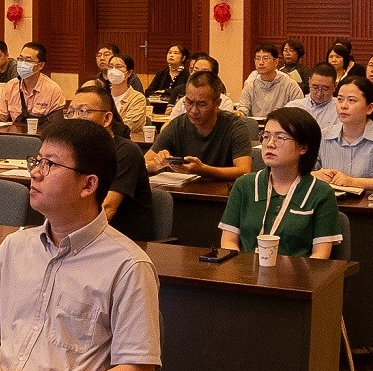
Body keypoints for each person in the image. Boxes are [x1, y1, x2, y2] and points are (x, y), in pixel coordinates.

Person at [0, 118, 162, 371]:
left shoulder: (128, 266)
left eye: (50, 164)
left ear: (88, 185)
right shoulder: (15, 246)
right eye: (37, 161)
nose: (35, 172)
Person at [217, 108, 344, 259]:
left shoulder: (321, 193)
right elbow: (228, 241)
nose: (270, 144)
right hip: (245, 271)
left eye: (280, 138)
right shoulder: (244, 185)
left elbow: (320, 254)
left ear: (303, 147)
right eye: (266, 136)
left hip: (297, 273)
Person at [65, 85, 154, 241]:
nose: (75, 118)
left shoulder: (126, 151)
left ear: (106, 118)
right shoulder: (74, 152)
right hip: (82, 234)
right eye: (71, 112)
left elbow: (107, 208)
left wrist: (70, 240)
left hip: (123, 241)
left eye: (83, 111)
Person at [145, 72, 251, 181]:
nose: (194, 110)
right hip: (184, 189)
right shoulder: (177, 125)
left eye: (202, 104)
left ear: (217, 103)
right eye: (189, 102)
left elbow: (244, 171)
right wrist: (157, 164)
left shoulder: (234, 126)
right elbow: (144, 163)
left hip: (223, 190)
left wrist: (205, 170)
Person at [317, 77, 373, 191]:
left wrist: (352, 182)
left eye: (351, 100)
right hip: (333, 201)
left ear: (369, 108)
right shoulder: (324, 135)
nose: (343, 106)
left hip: (369, 201)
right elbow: (302, 173)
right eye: (339, 99)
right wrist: (315, 175)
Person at [0, 42, 68, 123]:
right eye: (20, 59)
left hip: (42, 131)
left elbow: (57, 124)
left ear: (40, 65)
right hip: (16, 130)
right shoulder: (10, 86)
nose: (22, 64)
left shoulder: (53, 90)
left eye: (28, 61)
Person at [240, 42, 300, 119]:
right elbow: (243, 109)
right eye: (257, 58)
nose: (261, 63)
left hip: (281, 125)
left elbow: (298, 111)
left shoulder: (290, 85)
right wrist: (239, 113)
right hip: (256, 125)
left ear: (276, 62)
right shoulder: (250, 86)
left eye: (265, 58)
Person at [286, 63, 341, 132]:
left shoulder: (340, 110)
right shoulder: (293, 107)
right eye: (315, 87)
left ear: (335, 86)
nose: (319, 93)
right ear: (309, 82)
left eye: (325, 89)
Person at [106, 54, 150, 137]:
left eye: (118, 67)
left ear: (129, 73)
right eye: (111, 67)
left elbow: (128, 127)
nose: (113, 70)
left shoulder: (137, 98)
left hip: (126, 141)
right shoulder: (102, 95)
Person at [147, 43, 190, 108]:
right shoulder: (162, 73)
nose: (171, 55)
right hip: (159, 107)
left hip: (180, 107)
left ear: (183, 58)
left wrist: (164, 91)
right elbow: (148, 92)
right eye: (169, 53)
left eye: (175, 53)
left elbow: (185, 92)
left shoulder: (187, 74)